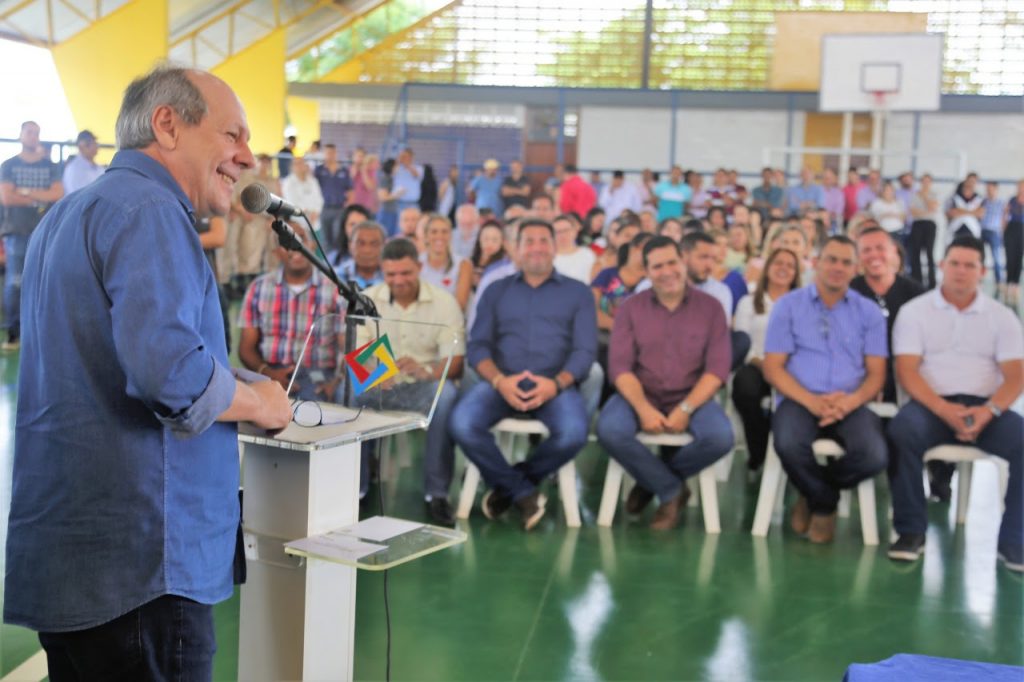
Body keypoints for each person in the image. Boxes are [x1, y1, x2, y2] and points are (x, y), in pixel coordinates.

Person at [3, 64, 292, 679]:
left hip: (76, 560)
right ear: (167, 124)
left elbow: (118, 358)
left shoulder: (69, 214)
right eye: (232, 134)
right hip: (143, 566)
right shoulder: (152, 211)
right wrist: (261, 404)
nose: (247, 157)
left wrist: (241, 382)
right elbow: (172, 378)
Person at [449, 219, 597, 531]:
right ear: (516, 249)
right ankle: (523, 493)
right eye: (529, 241)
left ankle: (513, 486)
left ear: (555, 248)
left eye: (544, 241)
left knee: (574, 433)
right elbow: (478, 346)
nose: (536, 248)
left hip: (554, 386)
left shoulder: (578, 293)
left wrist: (555, 384)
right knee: (462, 423)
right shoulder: (496, 290)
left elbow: (585, 351)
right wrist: (500, 381)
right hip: (501, 384)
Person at [887, 236, 1023, 571]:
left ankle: (1015, 541)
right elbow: (907, 371)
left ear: (982, 271)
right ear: (942, 266)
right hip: (931, 406)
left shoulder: (1002, 316)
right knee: (901, 432)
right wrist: (944, 410)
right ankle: (910, 532)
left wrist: (988, 411)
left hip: (986, 409)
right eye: (955, 264)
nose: (961, 271)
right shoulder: (914, 312)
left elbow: (1016, 375)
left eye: (970, 265)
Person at [597, 236, 734, 529]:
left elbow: (717, 369)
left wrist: (686, 408)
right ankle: (671, 489)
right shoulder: (630, 308)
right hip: (639, 393)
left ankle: (651, 481)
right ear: (646, 272)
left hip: (693, 395)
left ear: (683, 262)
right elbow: (620, 367)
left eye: (672, 262)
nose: (667, 271)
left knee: (721, 438)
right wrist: (643, 409)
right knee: (610, 430)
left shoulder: (711, 308)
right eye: (657, 266)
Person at [763, 235, 889, 544]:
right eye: (831, 259)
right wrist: (811, 401)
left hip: (851, 402)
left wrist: (849, 403)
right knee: (788, 444)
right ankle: (824, 503)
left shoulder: (869, 312)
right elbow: (773, 367)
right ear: (817, 263)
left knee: (874, 455)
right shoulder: (788, 306)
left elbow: (876, 374)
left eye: (846, 262)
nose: (838, 267)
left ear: (856, 269)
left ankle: (814, 494)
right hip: (799, 398)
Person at [360, 238, 466, 525]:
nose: (398, 281)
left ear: (419, 267)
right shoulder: (367, 300)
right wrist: (378, 374)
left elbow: (455, 362)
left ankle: (437, 493)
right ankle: (356, 489)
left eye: (406, 273)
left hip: (424, 385)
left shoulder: (444, 303)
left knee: (446, 397)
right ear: (382, 271)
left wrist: (426, 370)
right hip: (379, 385)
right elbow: (356, 354)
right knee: (348, 396)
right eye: (391, 274)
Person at [239, 222, 346, 401]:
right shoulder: (258, 288)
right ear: (276, 252)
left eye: (301, 238)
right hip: (269, 372)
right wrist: (268, 373)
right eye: (285, 242)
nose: (294, 246)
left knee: (313, 408)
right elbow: (246, 349)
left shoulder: (334, 288)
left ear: (312, 244)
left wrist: (337, 380)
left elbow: (347, 345)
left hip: (317, 374)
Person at [731, 247, 801, 471]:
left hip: (793, 368)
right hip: (757, 364)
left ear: (796, 273)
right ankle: (758, 450)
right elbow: (742, 341)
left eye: (790, 266)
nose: (783, 269)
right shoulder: (748, 302)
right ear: (768, 267)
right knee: (745, 387)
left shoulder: (803, 304)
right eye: (778, 263)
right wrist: (766, 365)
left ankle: (791, 450)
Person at [1, 120, 63, 349]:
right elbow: (7, 198)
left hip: (45, 232)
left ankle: (39, 331)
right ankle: (14, 333)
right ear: (20, 135)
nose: (33, 136)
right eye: (29, 132)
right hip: (16, 233)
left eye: (36, 132)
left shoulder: (50, 166)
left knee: (44, 282)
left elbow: (57, 194)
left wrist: (24, 191)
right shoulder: (8, 165)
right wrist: (40, 196)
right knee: (15, 283)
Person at [850, 227, 925, 404]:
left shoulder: (916, 294)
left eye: (880, 248)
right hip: (859, 379)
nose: (874, 255)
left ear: (893, 251)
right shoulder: (848, 293)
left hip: (908, 378)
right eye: (866, 250)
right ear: (858, 257)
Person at [420, 213, 472, 302]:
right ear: (426, 236)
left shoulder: (463, 264)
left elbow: (460, 304)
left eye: (444, 232)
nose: (439, 236)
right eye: (434, 232)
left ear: (451, 235)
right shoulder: (416, 263)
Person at [315, 143, 353, 249]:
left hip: (339, 208)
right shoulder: (319, 170)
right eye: (327, 153)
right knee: (325, 238)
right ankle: (327, 259)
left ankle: (336, 258)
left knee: (338, 236)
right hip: (324, 208)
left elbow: (350, 190)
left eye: (332, 153)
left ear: (336, 154)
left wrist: (347, 206)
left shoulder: (344, 171)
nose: (330, 155)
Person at [908, 173, 941, 289]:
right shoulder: (914, 194)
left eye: (928, 181)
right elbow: (913, 212)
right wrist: (926, 211)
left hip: (930, 225)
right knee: (916, 253)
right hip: (917, 224)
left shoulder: (934, 194)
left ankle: (932, 282)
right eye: (924, 181)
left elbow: (933, 207)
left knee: (929, 253)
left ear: (930, 183)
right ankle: (916, 280)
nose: (925, 184)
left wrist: (924, 196)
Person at [336, 220, 385, 290]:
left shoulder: (394, 276)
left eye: (374, 244)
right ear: (350, 245)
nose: (367, 250)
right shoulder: (336, 276)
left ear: (384, 246)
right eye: (360, 243)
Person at [280, 156, 323, 232]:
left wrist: (315, 212)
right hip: (297, 223)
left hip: (315, 222)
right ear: (292, 167)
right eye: (296, 164)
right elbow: (291, 202)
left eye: (301, 163)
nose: (299, 166)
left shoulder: (313, 181)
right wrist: (308, 212)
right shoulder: (288, 182)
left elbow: (319, 200)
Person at [552, 213, 595, 283]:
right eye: (558, 232)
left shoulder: (587, 254)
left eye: (566, 230)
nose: (562, 235)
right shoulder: (548, 257)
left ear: (575, 231)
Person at [981, 180, 1006, 298]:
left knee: (996, 258)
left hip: (994, 232)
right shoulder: (983, 202)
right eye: (987, 189)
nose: (989, 191)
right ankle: (978, 279)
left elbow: (1004, 219)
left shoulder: (1001, 203)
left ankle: (999, 281)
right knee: (980, 257)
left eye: (991, 189)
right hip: (982, 231)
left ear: (996, 189)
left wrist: (1002, 233)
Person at [61, 129, 104, 194]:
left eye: (94, 143)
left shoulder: (98, 168)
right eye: (91, 143)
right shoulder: (74, 169)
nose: (95, 145)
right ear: (81, 147)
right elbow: (77, 195)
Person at [946, 174, 984, 239]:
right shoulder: (954, 197)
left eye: (974, 182)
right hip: (956, 229)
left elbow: (980, 214)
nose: (971, 184)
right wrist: (972, 212)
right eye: (970, 181)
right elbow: (951, 213)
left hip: (973, 230)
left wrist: (960, 211)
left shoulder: (979, 198)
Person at [1005, 180, 1024, 310]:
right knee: (1010, 257)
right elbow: (1005, 215)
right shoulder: (1012, 200)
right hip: (1011, 229)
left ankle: (1015, 284)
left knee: (1018, 258)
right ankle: (1008, 283)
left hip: (1022, 230)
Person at [393, 147, 423, 213]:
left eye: (406, 156)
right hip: (399, 201)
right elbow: (393, 174)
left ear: (411, 157)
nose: (404, 158)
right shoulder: (397, 167)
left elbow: (416, 175)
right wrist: (398, 162)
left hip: (413, 203)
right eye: (403, 156)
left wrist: (407, 164)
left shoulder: (418, 168)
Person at [350, 148, 379, 214]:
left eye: (362, 156)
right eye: (358, 156)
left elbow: (370, 187)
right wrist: (354, 170)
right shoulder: (347, 170)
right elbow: (347, 185)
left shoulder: (371, 171)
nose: (359, 158)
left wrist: (364, 171)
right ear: (353, 157)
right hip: (352, 205)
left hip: (366, 205)